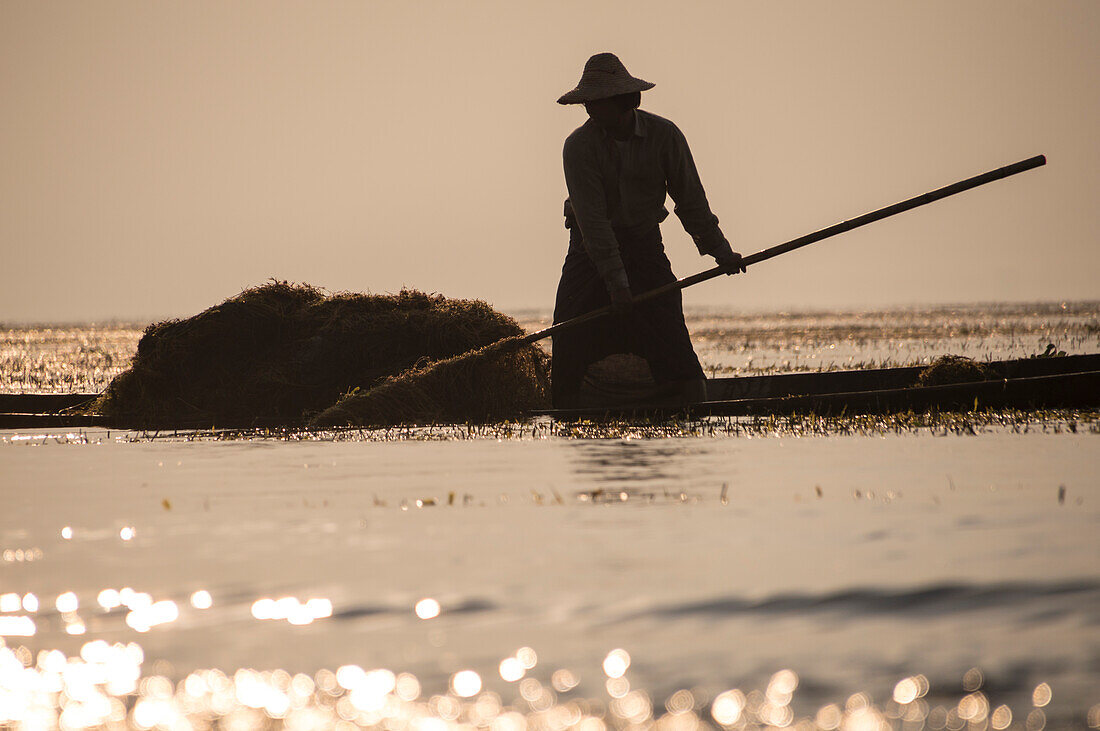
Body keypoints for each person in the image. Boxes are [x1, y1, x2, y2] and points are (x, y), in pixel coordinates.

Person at [552, 52, 744, 409]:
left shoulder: (665, 136)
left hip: (644, 244)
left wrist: (721, 253)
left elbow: (692, 203)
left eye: (597, 103)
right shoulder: (579, 147)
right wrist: (617, 284)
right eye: (588, 103)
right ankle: (564, 405)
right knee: (569, 332)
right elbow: (593, 226)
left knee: (668, 330)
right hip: (589, 252)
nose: (589, 110)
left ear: (624, 102)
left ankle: (689, 399)